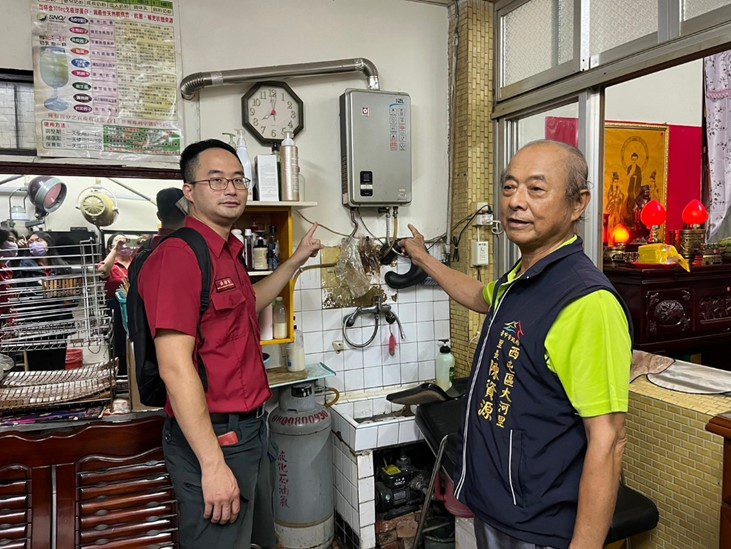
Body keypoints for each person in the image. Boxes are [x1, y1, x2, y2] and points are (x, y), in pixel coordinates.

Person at [400, 140, 631, 549]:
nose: (516, 202)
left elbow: (608, 440)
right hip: (499, 506)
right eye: (509, 187)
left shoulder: (585, 302)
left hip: (539, 524)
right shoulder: (521, 280)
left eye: (536, 189)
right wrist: (424, 260)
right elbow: (477, 295)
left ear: (578, 204)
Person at [137, 139, 323, 548]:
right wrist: (212, 464)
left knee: (254, 540)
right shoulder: (180, 256)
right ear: (189, 191)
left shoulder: (226, 252)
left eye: (239, 180)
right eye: (217, 180)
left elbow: (248, 304)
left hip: (250, 430)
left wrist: (296, 260)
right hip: (215, 437)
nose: (231, 189)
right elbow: (174, 367)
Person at [17, 232, 73, 371]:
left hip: (59, 323)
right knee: (38, 368)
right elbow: (21, 292)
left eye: (38, 240)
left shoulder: (61, 266)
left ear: (48, 244)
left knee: (58, 365)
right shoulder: (22, 266)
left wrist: (64, 297)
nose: (34, 243)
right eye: (30, 242)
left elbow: (71, 297)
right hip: (35, 325)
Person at [98, 233, 133, 374]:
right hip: (116, 307)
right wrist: (115, 249)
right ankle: (122, 373)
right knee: (119, 342)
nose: (123, 245)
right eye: (119, 242)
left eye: (125, 242)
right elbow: (103, 271)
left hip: (135, 305)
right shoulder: (109, 264)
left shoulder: (135, 260)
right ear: (110, 247)